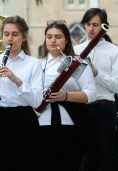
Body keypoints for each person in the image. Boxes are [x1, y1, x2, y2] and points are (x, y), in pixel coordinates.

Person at [0, 15, 44, 171]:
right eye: (6, 34)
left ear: (24, 37)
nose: (10, 38)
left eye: (15, 34)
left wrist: (16, 80)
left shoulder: (34, 64)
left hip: (23, 120)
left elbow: (36, 101)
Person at [38, 20, 96, 171]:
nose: (53, 40)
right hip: (40, 124)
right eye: (49, 36)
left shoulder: (77, 64)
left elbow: (91, 93)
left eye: (58, 36)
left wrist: (65, 96)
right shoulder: (36, 63)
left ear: (67, 40)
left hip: (70, 124)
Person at [74, 8, 118, 171]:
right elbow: (74, 81)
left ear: (104, 26)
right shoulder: (76, 51)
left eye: (95, 24)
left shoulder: (114, 51)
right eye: (88, 24)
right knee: (83, 156)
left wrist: (96, 73)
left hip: (104, 108)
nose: (91, 28)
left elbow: (117, 86)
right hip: (81, 107)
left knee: (104, 157)